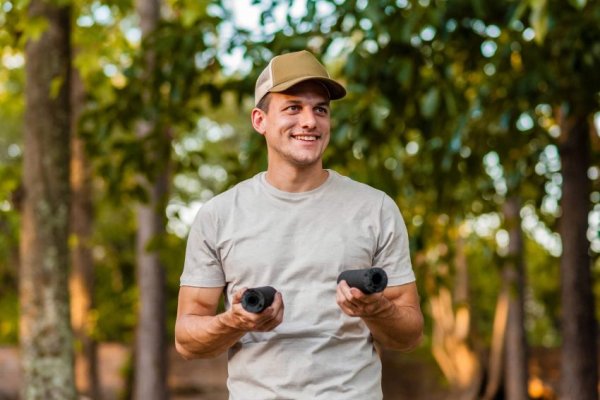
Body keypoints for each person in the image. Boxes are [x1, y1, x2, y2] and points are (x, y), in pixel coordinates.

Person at [175, 50, 424, 399]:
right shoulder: (219, 215)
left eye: (320, 109)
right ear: (259, 120)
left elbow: (409, 335)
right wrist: (236, 321)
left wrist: (376, 308)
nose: (309, 121)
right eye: (293, 107)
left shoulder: (375, 208)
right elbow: (187, 340)